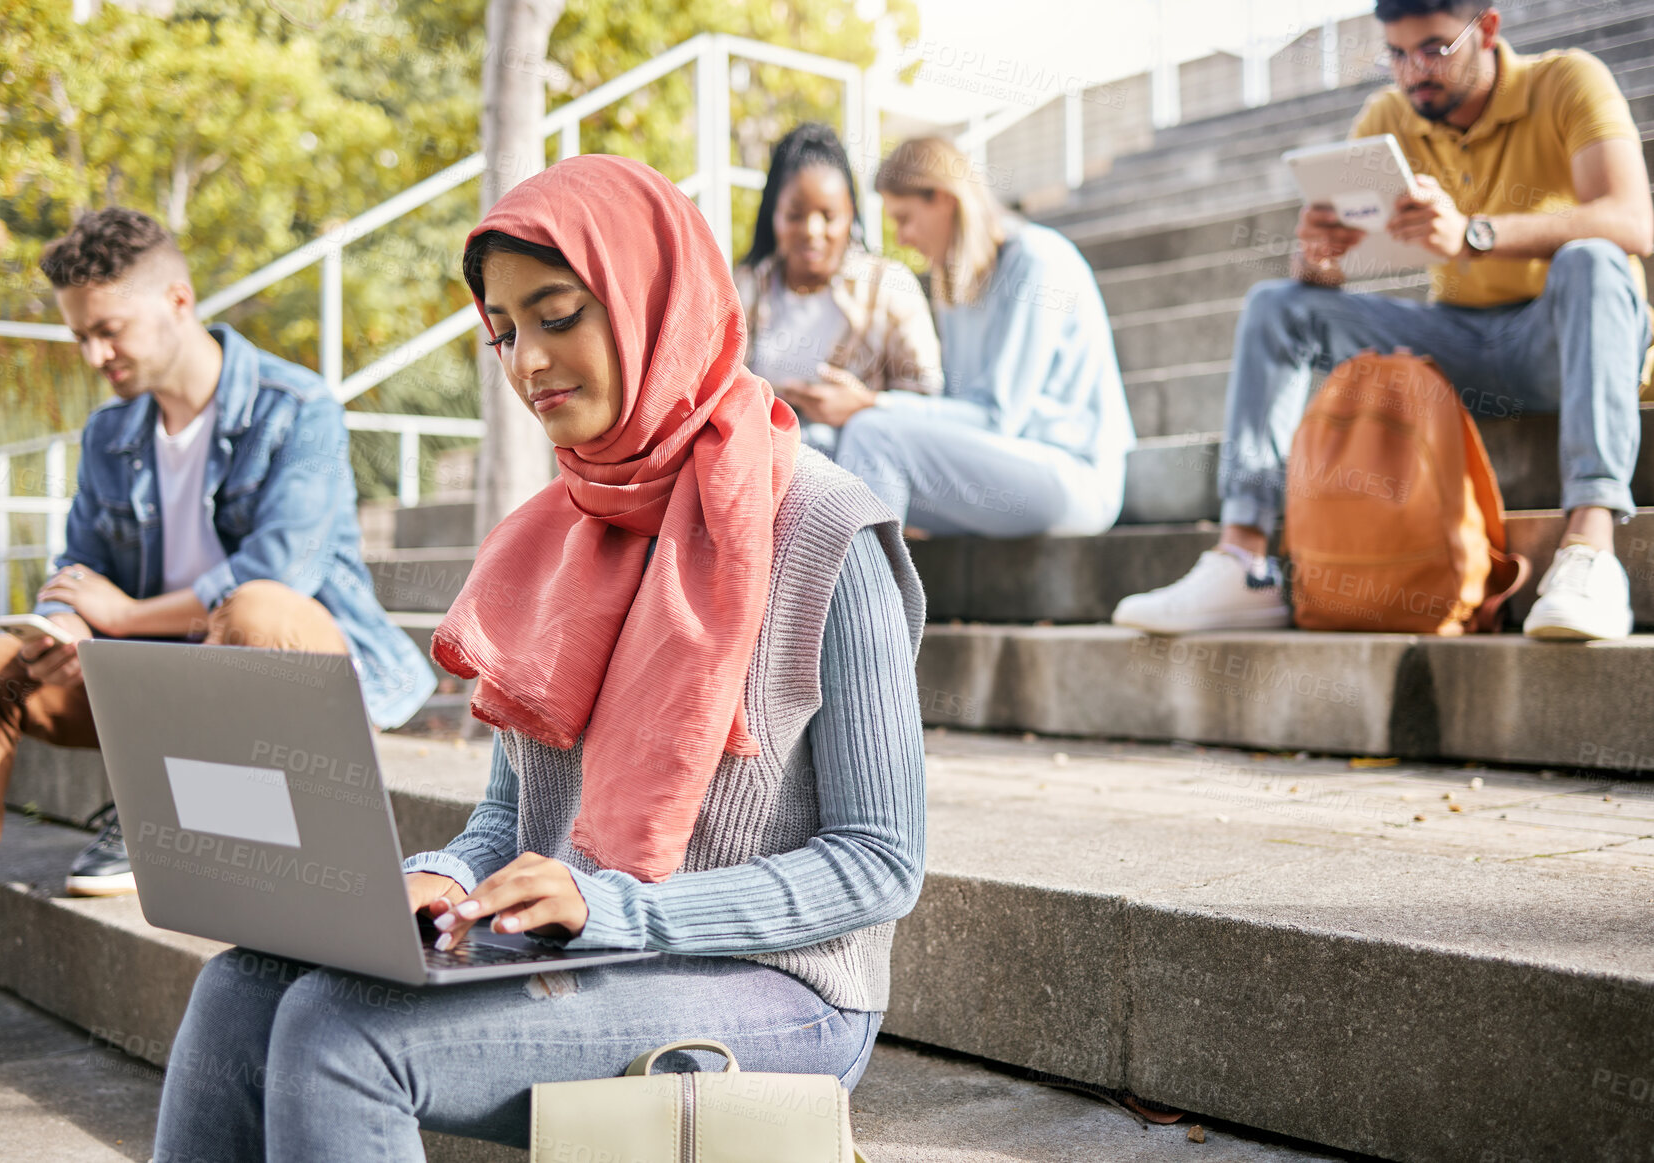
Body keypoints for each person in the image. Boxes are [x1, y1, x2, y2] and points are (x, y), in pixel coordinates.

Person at [151, 154, 928, 1161]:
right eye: (504, 332)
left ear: (654, 300)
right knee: (239, 986)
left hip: (785, 984)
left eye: (558, 315)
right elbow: (507, 819)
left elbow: (879, 862)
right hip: (583, 940)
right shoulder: (548, 538)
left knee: (342, 1036)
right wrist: (426, 879)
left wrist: (620, 909)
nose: (526, 363)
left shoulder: (828, 532)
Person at [0, 209, 437, 1038]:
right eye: (81, 339)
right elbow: (79, 572)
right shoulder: (110, 434)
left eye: (109, 331)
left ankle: (151, 812)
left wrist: (124, 615)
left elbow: (281, 571)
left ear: (177, 298)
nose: (96, 357)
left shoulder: (296, 404)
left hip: (288, 664)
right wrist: (67, 631)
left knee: (256, 608)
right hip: (150, 684)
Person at [1113, 0, 1653, 640]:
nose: (1412, 71)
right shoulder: (1390, 116)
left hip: (1563, 341)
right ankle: (1245, 560)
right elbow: (1328, 272)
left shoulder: (1567, 80)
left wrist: (1475, 233)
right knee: (1276, 307)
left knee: (1592, 261)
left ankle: (1589, 550)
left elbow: (1631, 221)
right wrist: (1317, 257)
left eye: (1433, 48)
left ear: (1487, 29)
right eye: (1395, 53)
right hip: (1456, 343)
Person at [812, 135, 1135, 538]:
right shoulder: (955, 284)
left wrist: (872, 403)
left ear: (944, 199)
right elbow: (962, 413)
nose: (901, 238)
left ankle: (873, 601)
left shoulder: (1038, 261)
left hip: (1074, 478)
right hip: (1003, 469)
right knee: (822, 448)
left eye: (905, 218)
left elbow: (997, 418)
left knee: (872, 432)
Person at [734, 122, 943, 456]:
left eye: (829, 216)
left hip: (856, 472)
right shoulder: (743, 287)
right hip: (761, 467)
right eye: (795, 215)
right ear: (773, 216)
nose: (812, 231)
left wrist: (865, 406)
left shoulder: (889, 287)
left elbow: (929, 400)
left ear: (852, 217)